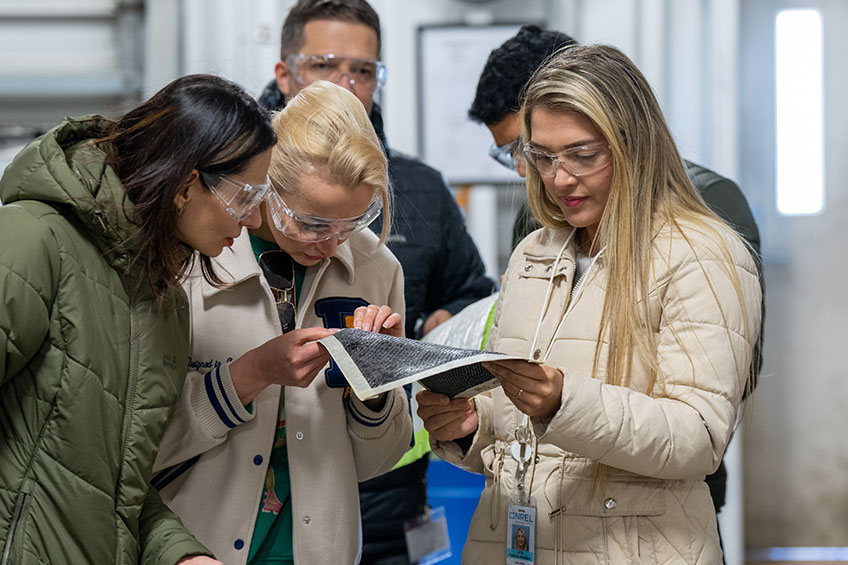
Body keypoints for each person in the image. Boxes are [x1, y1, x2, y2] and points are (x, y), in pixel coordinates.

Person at [418, 44, 762, 563]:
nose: (559, 178)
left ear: (635, 146)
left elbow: (699, 438)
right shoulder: (535, 252)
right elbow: (510, 422)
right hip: (512, 542)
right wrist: (469, 427)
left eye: (582, 155)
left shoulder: (702, 253)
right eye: (542, 156)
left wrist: (564, 403)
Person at [0, 74, 277, 564]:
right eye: (244, 198)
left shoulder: (162, 300)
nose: (253, 220)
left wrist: (183, 555)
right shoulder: (32, 242)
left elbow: (114, 487)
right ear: (187, 185)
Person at [257, 2, 495, 562]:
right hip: (254, 503)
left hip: (385, 497)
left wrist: (421, 338)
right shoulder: (226, 217)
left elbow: (470, 292)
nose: (347, 83)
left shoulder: (417, 193)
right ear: (285, 74)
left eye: (363, 70)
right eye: (327, 65)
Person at [152, 81, 413, 565]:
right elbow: (136, 445)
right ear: (265, 184)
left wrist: (375, 390)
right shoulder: (188, 261)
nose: (331, 245)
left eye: (352, 224)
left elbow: (378, 462)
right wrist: (249, 376)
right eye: (312, 223)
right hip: (196, 549)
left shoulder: (378, 270)